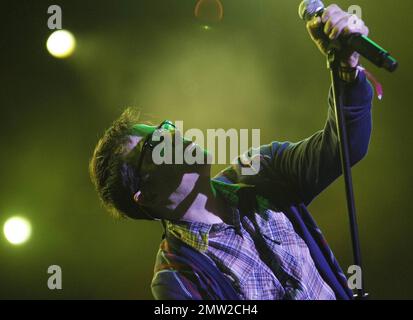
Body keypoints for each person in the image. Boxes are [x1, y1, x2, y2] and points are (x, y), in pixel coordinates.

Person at [89, 4, 373, 300]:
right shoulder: (176, 279)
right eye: (156, 142)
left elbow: (344, 146)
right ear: (145, 196)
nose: (172, 134)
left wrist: (345, 70)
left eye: (166, 127)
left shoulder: (260, 170)